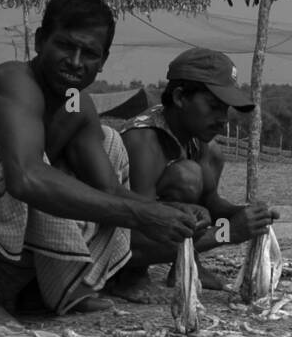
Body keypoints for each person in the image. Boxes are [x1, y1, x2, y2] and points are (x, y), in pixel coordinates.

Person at [0, 0, 203, 326]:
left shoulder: (77, 104)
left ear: (102, 61)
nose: (74, 61)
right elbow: (25, 176)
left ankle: (50, 289)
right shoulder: (15, 80)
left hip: (3, 264)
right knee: (0, 140)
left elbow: (111, 192)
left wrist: (166, 212)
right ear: (41, 41)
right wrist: (142, 214)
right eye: (65, 46)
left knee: (109, 143)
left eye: (88, 53)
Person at [106, 49, 279, 303]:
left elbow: (210, 203)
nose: (222, 120)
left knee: (197, 172)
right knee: (187, 175)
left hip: (156, 231)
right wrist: (227, 233)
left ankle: (186, 265)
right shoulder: (144, 142)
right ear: (179, 97)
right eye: (213, 107)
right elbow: (131, 235)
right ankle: (128, 276)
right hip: (114, 246)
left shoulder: (202, 144)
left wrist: (245, 215)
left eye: (225, 109)